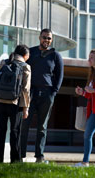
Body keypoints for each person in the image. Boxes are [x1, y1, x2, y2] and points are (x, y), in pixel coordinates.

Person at [20, 29, 64, 163]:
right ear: (39, 37)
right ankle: (20, 155)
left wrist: (53, 92)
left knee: (42, 126)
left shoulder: (56, 55)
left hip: (47, 94)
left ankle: (39, 156)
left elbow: (60, 75)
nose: (47, 40)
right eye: (44, 37)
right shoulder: (31, 52)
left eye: (49, 38)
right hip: (30, 93)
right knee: (24, 124)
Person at [0, 45, 31, 163]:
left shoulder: (3, 63)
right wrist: (25, 108)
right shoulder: (25, 66)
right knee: (15, 132)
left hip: (0, 102)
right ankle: (15, 161)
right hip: (15, 104)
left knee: (0, 132)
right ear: (25, 55)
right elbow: (25, 90)